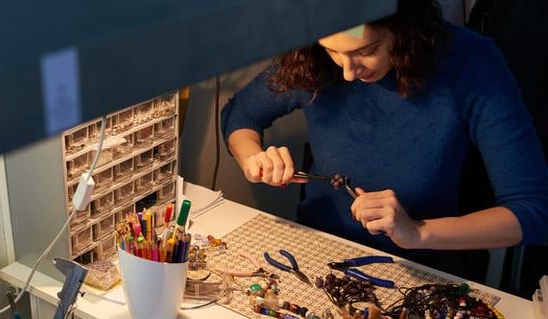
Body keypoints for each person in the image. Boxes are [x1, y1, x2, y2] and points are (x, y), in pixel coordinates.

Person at [220, 0, 548, 282]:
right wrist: (253, 158)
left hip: (423, 268)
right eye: (332, 50)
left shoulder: (470, 62)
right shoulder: (311, 56)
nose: (348, 72)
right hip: (319, 253)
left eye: (368, 50)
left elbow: (533, 211)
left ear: (403, 28)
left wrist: (418, 232)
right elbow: (240, 115)